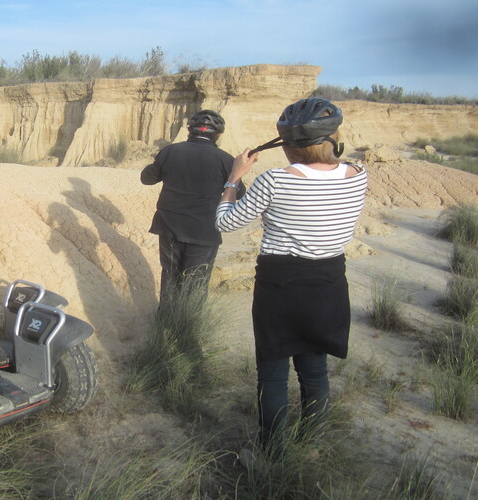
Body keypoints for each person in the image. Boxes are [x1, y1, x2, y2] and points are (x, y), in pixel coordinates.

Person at [215, 97, 368, 450]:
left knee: (272, 373)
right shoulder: (359, 175)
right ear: (332, 137)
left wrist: (234, 178)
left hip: (280, 284)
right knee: (314, 370)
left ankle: (274, 453)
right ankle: (312, 444)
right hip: (329, 280)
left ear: (288, 144)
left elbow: (224, 221)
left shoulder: (274, 181)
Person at [141, 109, 245, 305]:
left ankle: (165, 326)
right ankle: (190, 330)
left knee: (170, 278)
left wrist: (160, 163)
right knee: (195, 283)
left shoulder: (170, 151)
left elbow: (146, 179)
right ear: (218, 135)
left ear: (189, 130)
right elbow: (239, 193)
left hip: (169, 226)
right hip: (204, 232)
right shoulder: (225, 159)